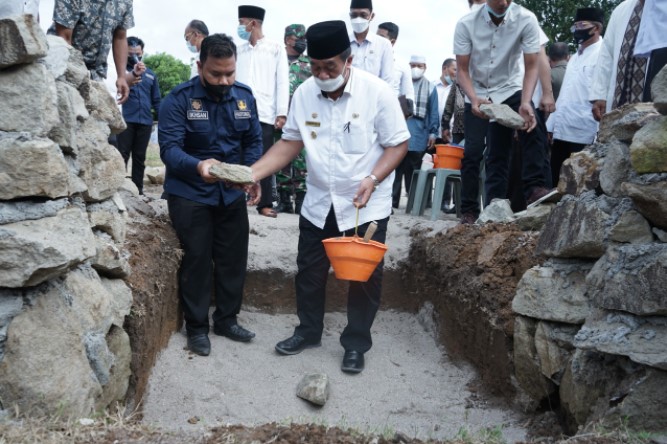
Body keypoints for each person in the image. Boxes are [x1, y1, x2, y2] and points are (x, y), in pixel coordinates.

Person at [248, 20, 409, 374]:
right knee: (309, 271)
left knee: (365, 279)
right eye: (316, 67)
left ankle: (355, 343)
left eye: (330, 67)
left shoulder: (377, 92)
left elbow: (398, 143)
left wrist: (374, 177)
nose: (322, 74)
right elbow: (289, 143)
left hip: (364, 205)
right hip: (319, 202)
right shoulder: (304, 94)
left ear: (347, 60)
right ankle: (308, 332)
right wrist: (252, 174)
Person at [158, 33, 263, 357]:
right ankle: (197, 327)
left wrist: (250, 174)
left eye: (230, 73)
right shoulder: (178, 100)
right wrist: (198, 165)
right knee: (198, 260)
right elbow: (169, 150)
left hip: (230, 195)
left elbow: (254, 142)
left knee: (233, 259)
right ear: (200, 65)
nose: (224, 80)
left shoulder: (244, 97)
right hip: (191, 193)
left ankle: (227, 320)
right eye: (216, 74)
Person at [454, 0, 550, 224]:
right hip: (476, 91)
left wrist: (526, 101)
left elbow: (532, 66)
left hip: (509, 87)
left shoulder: (526, 19)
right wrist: (474, 98)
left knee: (527, 129)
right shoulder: (466, 24)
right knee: (473, 152)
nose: (504, 3)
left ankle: (533, 188)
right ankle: (469, 210)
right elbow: (462, 70)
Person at [236, 5, 290, 218]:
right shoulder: (238, 50)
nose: (240, 27)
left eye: (242, 23)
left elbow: (282, 82)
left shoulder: (275, 48)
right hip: (239, 111)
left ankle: (265, 202)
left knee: (265, 157)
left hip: (265, 112)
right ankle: (237, 198)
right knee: (237, 155)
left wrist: (282, 112)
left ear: (253, 23)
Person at [547, 8, 604, 187]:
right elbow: (564, 94)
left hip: (585, 131)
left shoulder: (603, 53)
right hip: (562, 128)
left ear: (596, 28)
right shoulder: (574, 58)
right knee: (555, 183)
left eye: (582, 25)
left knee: (580, 186)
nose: (577, 29)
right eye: (575, 25)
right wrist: (551, 125)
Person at [590, 0, 667, 120]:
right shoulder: (621, 9)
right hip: (618, 100)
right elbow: (606, 55)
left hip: (655, 102)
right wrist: (599, 94)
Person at [48, 0, 134, 104]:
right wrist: (74, 76)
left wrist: (121, 77)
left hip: (95, 73)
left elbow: (120, 37)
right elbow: (64, 38)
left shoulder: (125, 2)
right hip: (63, 65)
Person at [115, 36, 161, 195]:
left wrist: (164, 120)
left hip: (145, 122)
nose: (135, 57)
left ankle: (138, 191)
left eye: (138, 53)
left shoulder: (150, 75)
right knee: (122, 155)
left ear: (142, 53)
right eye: (131, 53)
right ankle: (119, 189)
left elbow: (156, 100)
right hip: (126, 121)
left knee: (140, 157)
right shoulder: (121, 74)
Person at [392, 55, 438, 210]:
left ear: (425, 67)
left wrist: (433, 133)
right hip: (399, 129)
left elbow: (433, 112)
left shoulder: (431, 87)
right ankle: (392, 203)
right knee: (396, 170)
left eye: (419, 65)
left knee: (414, 171)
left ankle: (414, 204)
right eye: (412, 65)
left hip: (419, 134)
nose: (415, 69)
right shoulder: (400, 84)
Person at [275, 24, 311, 214]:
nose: (303, 41)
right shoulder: (277, 60)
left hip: (302, 118)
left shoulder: (309, 64)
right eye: (299, 37)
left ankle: (301, 200)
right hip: (280, 117)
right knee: (280, 159)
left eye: (304, 38)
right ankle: (284, 200)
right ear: (288, 39)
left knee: (301, 160)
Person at [348, 0, 394, 84]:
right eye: (354, 15)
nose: (358, 19)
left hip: (374, 96)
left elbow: (388, 81)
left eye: (363, 15)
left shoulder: (384, 44)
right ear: (350, 16)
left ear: (371, 16)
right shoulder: (342, 43)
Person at [377, 22, 415, 117]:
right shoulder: (368, 58)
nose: (376, 40)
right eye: (376, 36)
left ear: (392, 42)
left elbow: (408, 94)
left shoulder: (402, 64)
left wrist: (404, 114)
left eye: (381, 37)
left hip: (390, 113)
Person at [433, 59, 457, 135]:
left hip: (449, 136)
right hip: (431, 137)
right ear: (444, 68)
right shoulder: (431, 87)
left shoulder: (458, 91)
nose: (457, 73)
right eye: (455, 70)